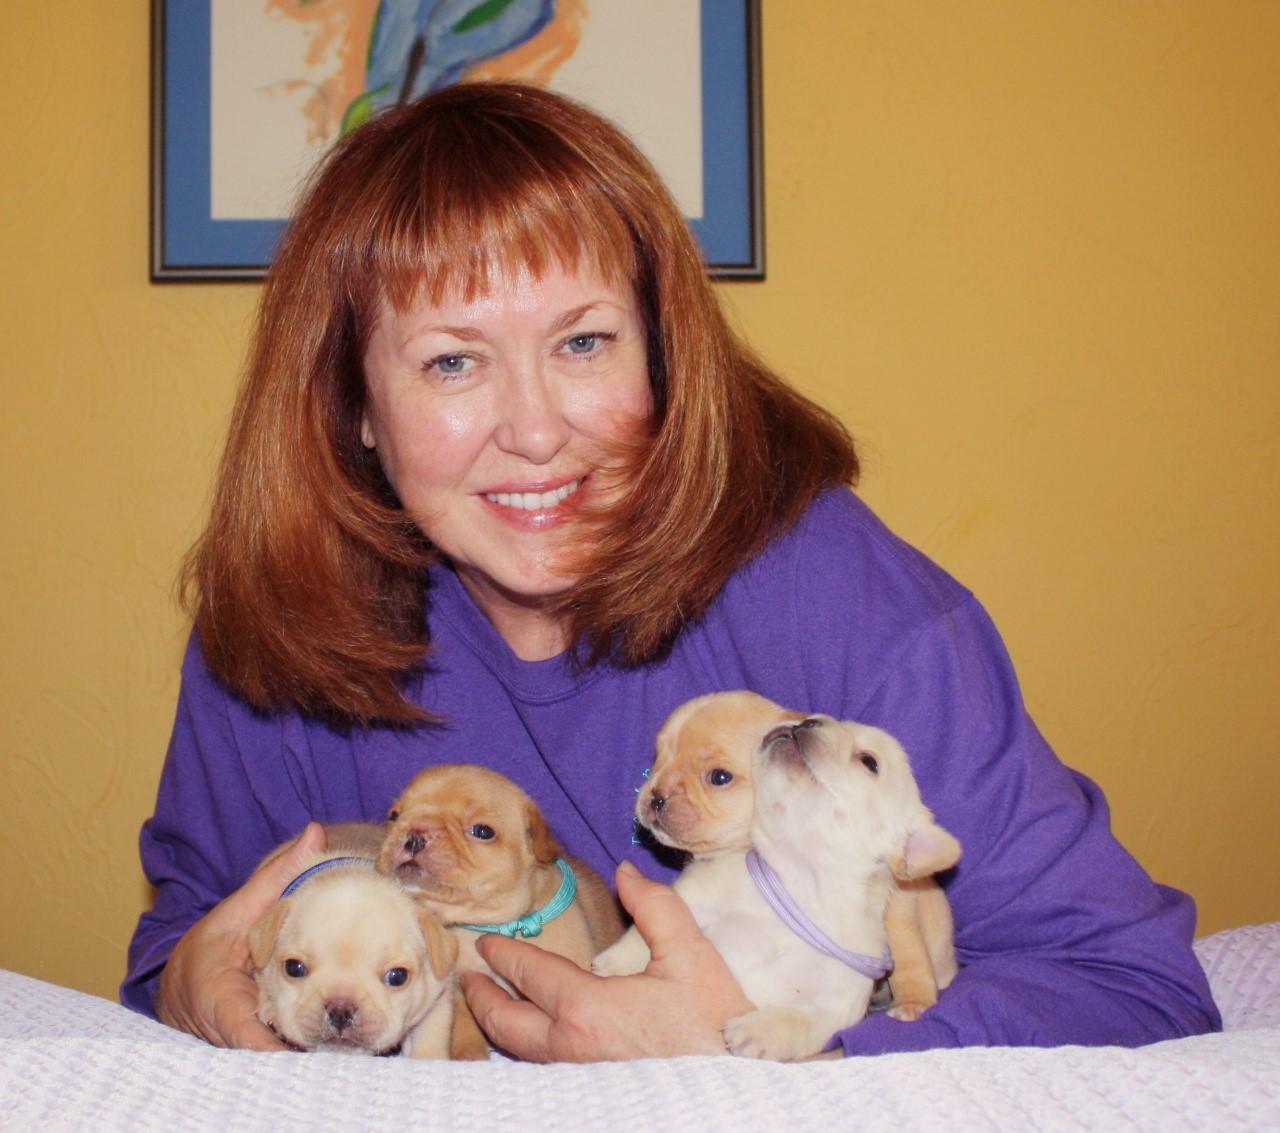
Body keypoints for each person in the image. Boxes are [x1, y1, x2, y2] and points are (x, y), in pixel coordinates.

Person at [122, 81, 1219, 1060]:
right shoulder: (278, 629)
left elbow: (1133, 986)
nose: (535, 430)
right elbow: (182, 945)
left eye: (583, 342)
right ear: (354, 405)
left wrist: (766, 1059)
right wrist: (194, 983)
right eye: (451, 361)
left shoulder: (836, 598)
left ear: (662, 354)